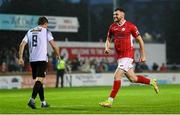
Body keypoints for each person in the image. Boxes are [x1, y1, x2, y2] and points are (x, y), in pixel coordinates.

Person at [99, 8, 159, 108]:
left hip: (128, 56)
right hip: (120, 58)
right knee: (133, 79)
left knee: (117, 76)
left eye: (116, 15)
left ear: (122, 15)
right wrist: (106, 47)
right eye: (114, 15)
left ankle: (109, 101)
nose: (114, 16)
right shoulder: (112, 27)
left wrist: (143, 55)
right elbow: (108, 39)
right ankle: (152, 82)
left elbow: (140, 40)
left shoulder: (131, 26)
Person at [18, 16, 60, 109]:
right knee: (39, 80)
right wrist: (58, 55)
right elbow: (54, 45)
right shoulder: (46, 31)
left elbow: (22, 44)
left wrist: (20, 57)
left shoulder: (29, 31)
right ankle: (32, 100)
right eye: (47, 24)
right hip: (41, 59)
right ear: (45, 23)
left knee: (39, 81)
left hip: (32, 59)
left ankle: (43, 102)